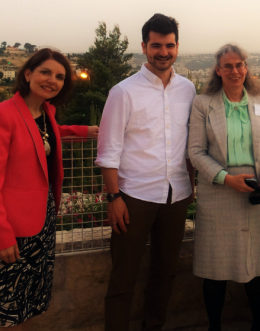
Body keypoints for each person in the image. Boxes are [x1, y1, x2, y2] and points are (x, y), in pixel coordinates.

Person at [0, 48, 97, 330]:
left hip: (40, 225)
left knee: (27, 307)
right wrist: (1, 236)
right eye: (45, 72)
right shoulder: (0, 115)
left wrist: (84, 131)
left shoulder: (43, 112)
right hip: (9, 230)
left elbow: (45, 134)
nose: (52, 80)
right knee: (7, 314)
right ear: (28, 74)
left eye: (60, 76)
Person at [96, 14, 196, 331]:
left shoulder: (188, 90)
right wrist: (114, 197)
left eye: (169, 45)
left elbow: (190, 142)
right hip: (133, 197)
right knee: (123, 276)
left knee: (165, 273)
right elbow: (109, 150)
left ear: (177, 46)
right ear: (144, 46)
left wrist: (192, 187)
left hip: (177, 196)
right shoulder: (123, 92)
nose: (163, 52)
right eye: (156, 45)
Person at [188, 43, 260, 331]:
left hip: (255, 190)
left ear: (246, 68)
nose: (234, 70)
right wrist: (226, 178)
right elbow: (196, 152)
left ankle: (259, 325)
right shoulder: (203, 104)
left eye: (239, 65)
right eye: (228, 66)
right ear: (218, 70)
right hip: (218, 191)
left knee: (257, 263)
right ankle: (215, 326)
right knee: (215, 266)